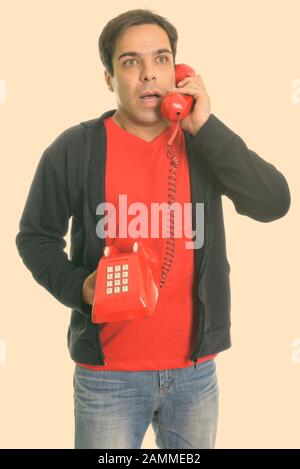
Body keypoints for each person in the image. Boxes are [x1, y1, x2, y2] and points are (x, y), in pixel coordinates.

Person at [15, 8, 291, 449]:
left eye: (161, 59)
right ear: (109, 77)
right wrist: (79, 289)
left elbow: (274, 203)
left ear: (179, 71)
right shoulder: (75, 148)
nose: (148, 75)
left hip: (194, 375)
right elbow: (34, 238)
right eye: (130, 62)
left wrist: (206, 127)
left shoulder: (204, 144)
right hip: (108, 378)